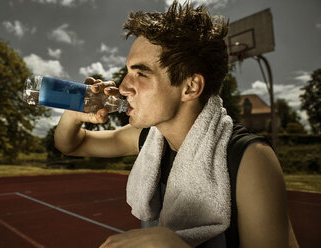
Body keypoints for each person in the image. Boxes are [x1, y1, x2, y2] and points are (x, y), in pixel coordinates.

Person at [55, 1, 299, 247]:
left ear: (191, 87)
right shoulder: (149, 137)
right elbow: (73, 144)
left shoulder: (250, 159)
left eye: (141, 73)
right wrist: (75, 114)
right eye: (128, 71)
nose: (123, 87)